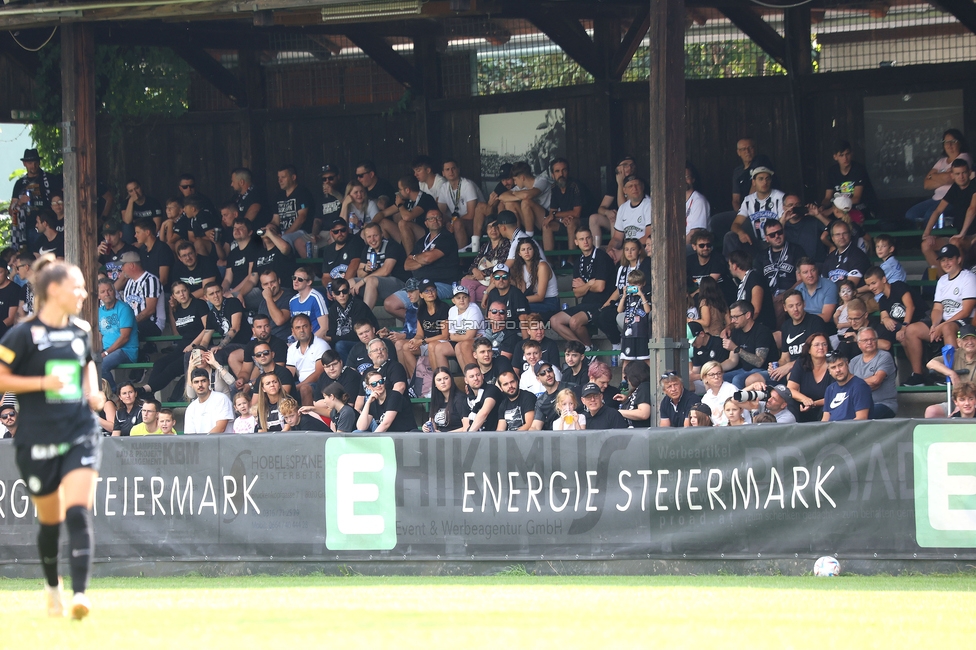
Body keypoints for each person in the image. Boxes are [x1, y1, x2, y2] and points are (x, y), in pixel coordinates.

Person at [0, 255, 104, 619]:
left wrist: (95, 392)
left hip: (79, 431)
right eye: (77, 286)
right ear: (55, 290)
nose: (84, 293)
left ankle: (80, 595)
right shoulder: (20, 334)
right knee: (49, 521)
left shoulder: (81, 329)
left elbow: (88, 363)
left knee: (78, 511)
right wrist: (41, 383)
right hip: (36, 439)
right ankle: (52, 587)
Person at [903, 244, 976, 386]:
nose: (946, 263)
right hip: (944, 321)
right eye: (943, 260)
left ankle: (952, 373)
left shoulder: (968, 277)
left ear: (959, 259)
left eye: (950, 259)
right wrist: (935, 325)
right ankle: (918, 375)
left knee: (947, 328)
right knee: (912, 330)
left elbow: (966, 311)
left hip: (964, 321)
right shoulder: (942, 280)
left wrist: (942, 326)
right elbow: (937, 308)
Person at [139, 280, 215, 397]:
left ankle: (146, 390)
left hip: (199, 347)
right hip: (183, 346)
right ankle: (149, 394)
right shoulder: (177, 310)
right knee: (159, 363)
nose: (182, 294)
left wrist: (193, 345)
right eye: (178, 292)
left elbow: (207, 328)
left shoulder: (199, 304)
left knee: (171, 369)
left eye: (184, 290)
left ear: (188, 291)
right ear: (174, 296)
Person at [384, 210, 460, 321]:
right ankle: (421, 324)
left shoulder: (446, 238)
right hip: (418, 283)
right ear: (426, 223)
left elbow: (428, 259)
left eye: (438, 217)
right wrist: (422, 259)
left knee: (417, 296)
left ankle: (426, 326)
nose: (435, 220)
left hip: (442, 284)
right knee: (390, 304)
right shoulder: (421, 241)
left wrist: (418, 258)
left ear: (442, 221)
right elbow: (407, 265)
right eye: (431, 218)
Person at [550, 229, 614, 350]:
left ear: (592, 239)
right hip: (585, 304)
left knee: (575, 322)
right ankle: (584, 350)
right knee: (555, 321)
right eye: (581, 239)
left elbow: (600, 287)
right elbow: (577, 293)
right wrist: (589, 284)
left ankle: (588, 348)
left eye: (588, 238)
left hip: (602, 304)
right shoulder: (578, 261)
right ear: (576, 242)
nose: (585, 241)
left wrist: (584, 286)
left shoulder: (601, 256)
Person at [906, 128, 971, 225]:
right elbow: (926, 184)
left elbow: (950, 178)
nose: (949, 145)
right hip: (936, 199)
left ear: (960, 143)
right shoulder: (942, 161)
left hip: (952, 200)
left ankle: (930, 239)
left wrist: (933, 176)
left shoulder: (964, 157)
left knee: (929, 215)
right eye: (946, 142)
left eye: (953, 141)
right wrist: (944, 176)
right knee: (910, 215)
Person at [922, 158, 976, 272]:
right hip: (960, 235)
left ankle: (962, 278)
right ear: (952, 175)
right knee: (926, 245)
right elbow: (937, 211)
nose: (961, 176)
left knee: (955, 242)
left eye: (964, 173)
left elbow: (972, 209)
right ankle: (945, 281)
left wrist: (962, 233)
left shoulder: (974, 185)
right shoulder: (954, 189)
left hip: (972, 236)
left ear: (970, 172)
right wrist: (927, 233)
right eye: (957, 174)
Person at [600, 238, 651, 350]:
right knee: (603, 314)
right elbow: (618, 290)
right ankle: (617, 343)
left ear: (639, 251)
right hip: (624, 302)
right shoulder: (621, 267)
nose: (629, 252)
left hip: (641, 303)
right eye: (626, 249)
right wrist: (606, 304)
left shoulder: (646, 264)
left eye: (633, 249)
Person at [725, 166, 784, 256]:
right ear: (754, 182)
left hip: (774, 241)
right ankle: (734, 268)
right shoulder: (748, 200)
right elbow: (735, 225)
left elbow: (783, 223)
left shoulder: (779, 197)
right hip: (756, 242)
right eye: (760, 179)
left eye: (767, 179)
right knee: (730, 236)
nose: (765, 182)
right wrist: (741, 233)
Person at [722, 300, 779, 389]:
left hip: (765, 370)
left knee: (738, 379)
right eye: (731, 317)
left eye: (736, 317)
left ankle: (737, 402)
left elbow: (759, 362)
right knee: (720, 378)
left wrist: (736, 348)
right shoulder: (736, 332)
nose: (732, 321)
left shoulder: (762, 331)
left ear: (748, 315)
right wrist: (715, 368)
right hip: (744, 370)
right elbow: (733, 360)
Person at [353, 221, 410, 309]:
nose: (372, 240)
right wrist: (365, 269)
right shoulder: (367, 249)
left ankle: (364, 316)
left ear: (382, 234)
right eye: (369, 237)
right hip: (376, 286)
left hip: (400, 284)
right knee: (349, 283)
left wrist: (363, 281)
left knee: (371, 280)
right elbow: (359, 274)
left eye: (375, 235)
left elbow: (386, 271)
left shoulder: (391, 246)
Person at [96, 277, 139, 392]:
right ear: (99, 296)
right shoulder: (99, 311)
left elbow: (125, 337)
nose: (107, 293)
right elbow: (100, 335)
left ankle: (115, 396)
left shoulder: (124, 308)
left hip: (125, 350)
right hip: (108, 351)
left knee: (101, 366)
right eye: (103, 292)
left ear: (114, 291)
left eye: (109, 290)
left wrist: (105, 353)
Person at [925, 324, 976, 417]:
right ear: (959, 342)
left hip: (972, 401)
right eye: (966, 339)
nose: (970, 342)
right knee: (931, 411)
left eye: (973, 338)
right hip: (958, 401)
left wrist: (961, 407)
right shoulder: (955, 354)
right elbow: (930, 363)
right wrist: (951, 373)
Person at [820, 140, 878, 222]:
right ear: (835, 157)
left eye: (847, 154)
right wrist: (822, 207)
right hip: (839, 211)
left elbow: (856, 198)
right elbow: (827, 197)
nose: (845, 158)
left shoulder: (859, 170)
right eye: (841, 155)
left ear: (851, 154)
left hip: (859, 209)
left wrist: (833, 209)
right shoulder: (832, 171)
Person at [323, 277, 377, 363]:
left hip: (364, 341)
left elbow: (356, 334)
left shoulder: (359, 305)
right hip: (343, 341)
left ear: (349, 291)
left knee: (340, 345)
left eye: (344, 291)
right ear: (333, 294)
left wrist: (331, 338)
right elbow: (332, 331)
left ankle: (347, 371)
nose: (341, 295)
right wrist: (328, 339)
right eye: (338, 292)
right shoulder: (333, 309)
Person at [459, 216, 510, 305]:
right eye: (490, 227)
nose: (493, 230)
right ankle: (473, 312)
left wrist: (477, 275)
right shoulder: (485, 246)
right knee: (465, 282)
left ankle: (472, 313)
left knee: (469, 290)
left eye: (496, 227)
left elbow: (500, 266)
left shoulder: (506, 244)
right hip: (481, 280)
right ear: (486, 230)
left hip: (495, 281)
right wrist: (474, 270)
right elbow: (474, 264)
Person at [588, 155, 636, 248]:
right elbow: (601, 208)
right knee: (594, 218)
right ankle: (595, 252)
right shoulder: (613, 184)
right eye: (625, 165)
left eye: (632, 165)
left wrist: (621, 184)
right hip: (616, 222)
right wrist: (607, 212)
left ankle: (614, 251)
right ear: (618, 168)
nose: (629, 168)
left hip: (632, 222)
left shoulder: (636, 183)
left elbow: (624, 207)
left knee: (616, 218)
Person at [849, 327, 897, 419]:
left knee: (862, 416)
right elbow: (848, 385)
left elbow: (876, 380)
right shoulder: (854, 361)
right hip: (859, 405)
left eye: (872, 339)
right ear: (859, 344)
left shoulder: (884, 356)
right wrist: (863, 384)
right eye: (865, 340)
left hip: (883, 404)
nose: (869, 342)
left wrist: (856, 385)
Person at [434, 283, 484, 371]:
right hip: (463, 340)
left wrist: (457, 337)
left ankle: (474, 377)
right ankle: (444, 379)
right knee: (438, 348)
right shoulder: (452, 310)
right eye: (458, 298)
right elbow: (451, 335)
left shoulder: (473, 309)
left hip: (479, 340)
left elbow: (469, 337)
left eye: (464, 297)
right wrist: (458, 337)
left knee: (461, 346)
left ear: (469, 298)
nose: (462, 300)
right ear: (453, 300)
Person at [864, 266, 915, 351]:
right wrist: (885, 319)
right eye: (868, 285)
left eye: (873, 283)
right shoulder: (882, 300)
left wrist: (903, 327)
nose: (871, 288)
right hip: (904, 328)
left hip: (920, 320)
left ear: (883, 279)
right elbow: (883, 318)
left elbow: (910, 307)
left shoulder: (898, 286)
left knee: (906, 334)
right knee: (899, 337)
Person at [120, 251, 165, 340]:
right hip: (134, 323)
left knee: (127, 332)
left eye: (123, 265)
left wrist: (130, 323)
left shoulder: (150, 280)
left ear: (131, 265)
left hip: (152, 323)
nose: (121, 268)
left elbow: (150, 310)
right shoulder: (129, 282)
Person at [787, 333, 832, 422]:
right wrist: (805, 399)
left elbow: (835, 396)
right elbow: (790, 389)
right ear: (809, 350)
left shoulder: (833, 365)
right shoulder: (801, 362)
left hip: (825, 407)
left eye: (824, 344)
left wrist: (813, 403)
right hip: (804, 406)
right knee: (790, 402)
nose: (821, 348)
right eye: (817, 345)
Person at [510, 237, 559, 319]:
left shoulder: (542, 266)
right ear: (519, 253)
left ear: (534, 250)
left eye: (529, 249)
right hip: (533, 301)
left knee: (519, 309)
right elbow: (522, 291)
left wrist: (518, 301)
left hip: (550, 302)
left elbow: (540, 297)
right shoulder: (521, 267)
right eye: (523, 250)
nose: (526, 252)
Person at [606, 175, 651, 263]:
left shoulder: (649, 204)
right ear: (624, 190)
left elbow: (648, 236)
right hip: (627, 252)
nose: (634, 188)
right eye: (630, 186)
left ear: (642, 187)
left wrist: (623, 252)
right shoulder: (623, 208)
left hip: (643, 250)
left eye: (637, 185)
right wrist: (610, 250)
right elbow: (617, 238)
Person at [286, 314, 329, 405]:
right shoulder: (292, 348)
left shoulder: (321, 345)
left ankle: (307, 418)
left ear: (311, 327)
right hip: (300, 383)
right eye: (297, 328)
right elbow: (289, 373)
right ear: (293, 331)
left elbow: (319, 373)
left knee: (304, 388)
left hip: (320, 384)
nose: (301, 330)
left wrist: (297, 387)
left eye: (305, 326)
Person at [392, 174, 440, 256]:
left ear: (407, 190)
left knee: (403, 223)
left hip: (428, 234)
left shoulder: (425, 198)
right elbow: (384, 213)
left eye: (400, 190)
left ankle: (410, 258)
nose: (399, 193)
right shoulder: (407, 200)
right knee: (384, 223)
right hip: (412, 234)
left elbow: (407, 217)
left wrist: (400, 205)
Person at [727, 250, 775, 331]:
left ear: (734, 266)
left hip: (761, 329)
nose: (729, 268)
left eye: (729, 265)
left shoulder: (754, 278)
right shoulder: (745, 280)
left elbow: (755, 310)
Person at [271, 165, 314, 252]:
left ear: (293, 177)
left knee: (284, 240)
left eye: (283, 177)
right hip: (283, 233)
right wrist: (269, 229)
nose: (279, 180)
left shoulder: (302, 193)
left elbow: (302, 218)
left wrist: (285, 234)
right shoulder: (279, 196)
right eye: (278, 177)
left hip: (300, 232)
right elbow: (275, 220)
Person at [222, 217, 262, 310]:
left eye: (241, 228)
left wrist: (232, 293)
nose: (237, 230)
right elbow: (227, 279)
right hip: (234, 290)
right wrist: (220, 291)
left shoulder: (254, 248)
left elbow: (250, 276)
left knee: (230, 302)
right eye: (235, 228)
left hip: (250, 289)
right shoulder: (233, 253)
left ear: (250, 232)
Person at [545, 158, 582, 254]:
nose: (561, 174)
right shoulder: (554, 187)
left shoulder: (575, 185)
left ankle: (571, 260)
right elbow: (552, 213)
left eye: (564, 170)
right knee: (546, 225)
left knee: (571, 223)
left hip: (583, 221)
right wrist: (561, 218)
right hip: (565, 221)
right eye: (557, 171)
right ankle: (549, 263)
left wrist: (555, 215)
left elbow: (576, 213)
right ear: (553, 175)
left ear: (568, 172)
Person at [822, 352, 872, 421]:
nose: (838, 370)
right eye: (833, 367)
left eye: (840, 365)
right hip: (832, 430)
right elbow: (825, 419)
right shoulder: (830, 389)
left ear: (847, 365)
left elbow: (861, 419)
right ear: (829, 371)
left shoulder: (859, 386)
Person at [617, 269, 651, 368]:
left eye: (637, 284)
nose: (634, 287)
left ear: (643, 284)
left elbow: (648, 311)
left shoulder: (646, 295)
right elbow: (619, 310)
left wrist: (641, 295)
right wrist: (623, 296)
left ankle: (653, 380)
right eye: (632, 284)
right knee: (626, 360)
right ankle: (623, 381)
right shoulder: (627, 297)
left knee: (645, 358)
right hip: (628, 333)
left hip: (641, 332)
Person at [184, 368, 234, 434]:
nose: (200, 385)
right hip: (202, 443)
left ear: (209, 382)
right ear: (192, 385)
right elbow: (190, 435)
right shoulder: (191, 408)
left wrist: (204, 442)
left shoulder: (221, 399)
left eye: (203, 381)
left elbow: (221, 428)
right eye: (196, 382)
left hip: (222, 443)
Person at [822, 220, 870, 287]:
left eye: (845, 233)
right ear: (833, 238)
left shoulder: (858, 256)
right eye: (837, 234)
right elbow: (823, 284)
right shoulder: (830, 258)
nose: (841, 237)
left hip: (852, 296)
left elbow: (849, 288)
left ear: (850, 235)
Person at [288, 267, 329, 338]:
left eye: (300, 279)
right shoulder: (292, 301)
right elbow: (294, 328)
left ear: (309, 282)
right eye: (294, 278)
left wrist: (308, 343)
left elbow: (324, 328)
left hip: (316, 342)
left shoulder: (316, 297)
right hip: (300, 343)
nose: (295, 281)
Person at [425, 367, 469, 432]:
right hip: (439, 438)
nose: (443, 382)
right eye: (439, 380)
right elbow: (432, 423)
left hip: (456, 439)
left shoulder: (460, 399)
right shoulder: (436, 400)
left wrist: (445, 434)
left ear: (451, 379)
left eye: (446, 378)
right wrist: (427, 428)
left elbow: (467, 427)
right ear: (435, 384)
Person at [797, 258, 839, 325]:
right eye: (805, 272)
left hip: (824, 325)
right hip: (803, 325)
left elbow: (826, 317)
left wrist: (801, 320)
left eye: (812, 270)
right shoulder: (797, 289)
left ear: (817, 270)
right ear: (799, 275)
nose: (810, 275)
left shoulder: (830, 286)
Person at [256, 270, 294, 341]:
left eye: (272, 282)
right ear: (262, 286)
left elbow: (279, 320)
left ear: (279, 281)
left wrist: (268, 298)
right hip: (266, 341)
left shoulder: (289, 297)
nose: (270, 286)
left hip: (284, 341)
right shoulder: (263, 302)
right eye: (266, 284)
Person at [134, 217, 173, 287]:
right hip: (147, 290)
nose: (135, 235)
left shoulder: (162, 249)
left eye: (138, 232)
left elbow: (163, 280)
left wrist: (150, 291)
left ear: (147, 232)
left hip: (164, 292)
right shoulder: (143, 249)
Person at [698, 361, 738, 427]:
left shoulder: (731, 389)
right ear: (705, 378)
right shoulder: (705, 398)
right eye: (712, 375)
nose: (716, 377)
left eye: (719, 373)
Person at [614, 361, 652, 428]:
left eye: (626, 377)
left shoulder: (644, 387)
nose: (627, 381)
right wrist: (627, 399)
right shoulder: (638, 389)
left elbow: (643, 413)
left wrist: (618, 412)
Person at [685, 163, 710, 244]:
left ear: (693, 179)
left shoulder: (699, 200)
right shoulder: (676, 201)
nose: (683, 180)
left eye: (687, 177)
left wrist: (677, 248)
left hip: (693, 245)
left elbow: (695, 233)